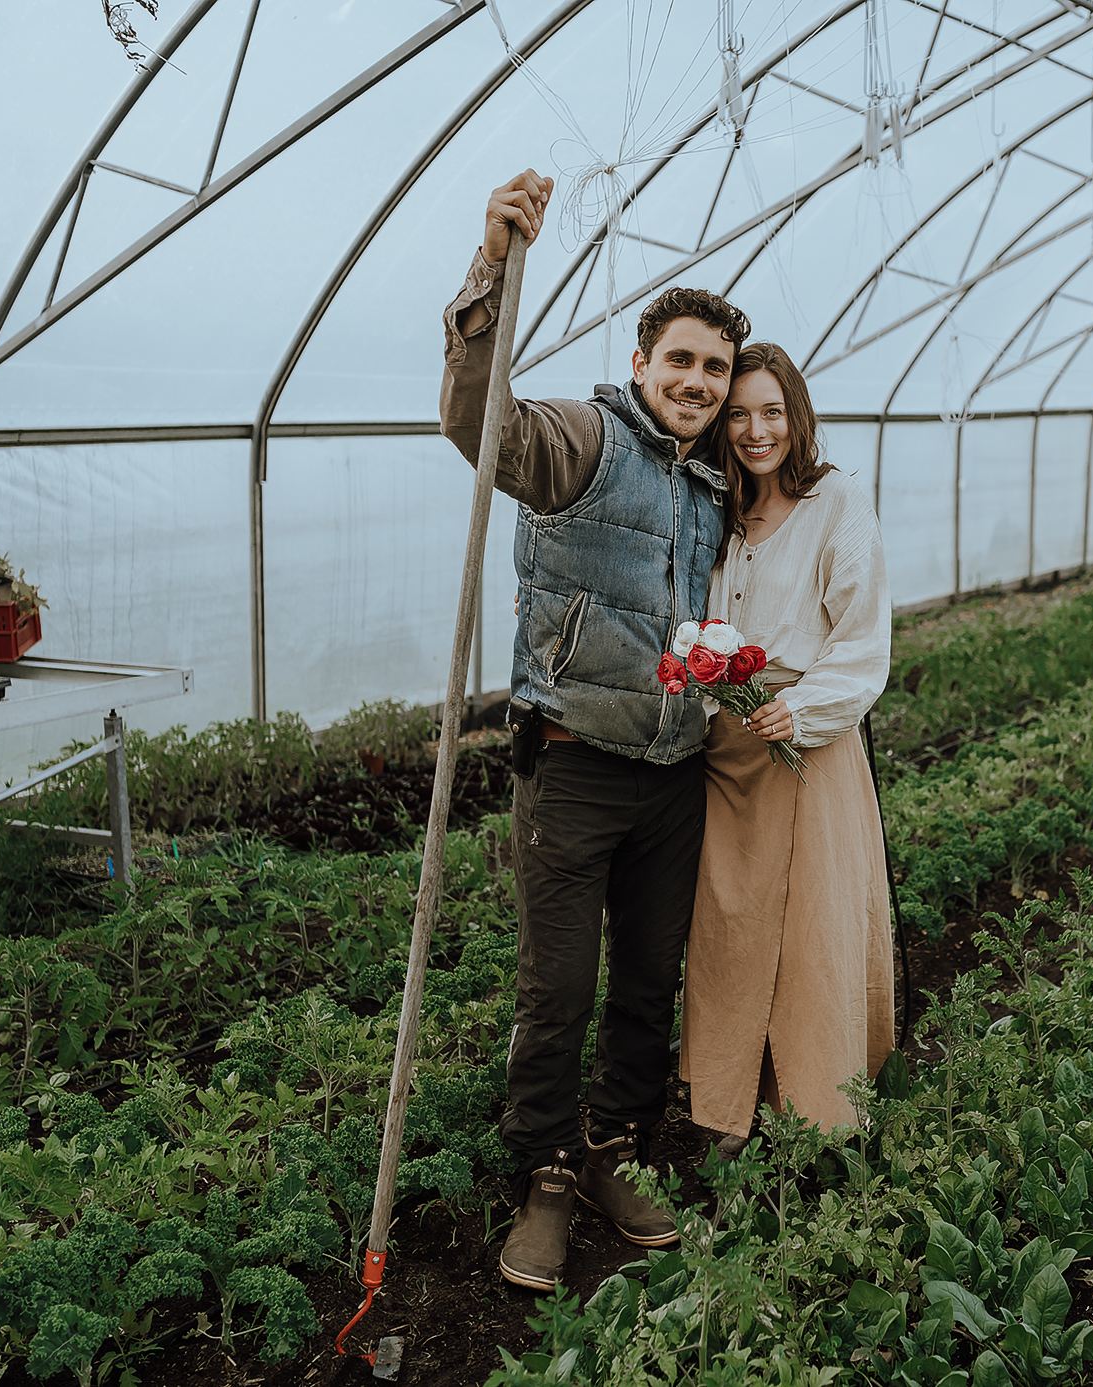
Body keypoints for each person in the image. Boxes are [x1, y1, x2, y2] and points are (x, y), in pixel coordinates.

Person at [439, 169, 752, 1292]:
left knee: (643, 983)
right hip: (572, 761)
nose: (697, 383)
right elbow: (480, 422)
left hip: (673, 772)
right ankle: (545, 1174)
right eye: (680, 361)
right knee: (558, 983)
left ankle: (615, 1150)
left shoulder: (716, 485)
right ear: (639, 364)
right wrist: (490, 269)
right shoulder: (582, 441)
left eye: (714, 370)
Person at [679, 342, 895, 1150]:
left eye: (771, 411)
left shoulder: (836, 500)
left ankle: (817, 1111)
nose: (754, 429)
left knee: (812, 929)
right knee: (730, 927)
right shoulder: (721, 511)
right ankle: (732, 1106)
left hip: (807, 746)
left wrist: (801, 707)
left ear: (797, 416)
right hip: (731, 754)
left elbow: (863, 637)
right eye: (737, 414)